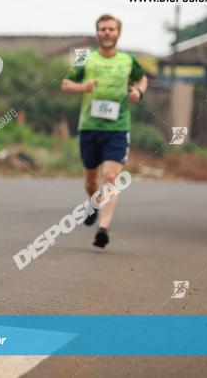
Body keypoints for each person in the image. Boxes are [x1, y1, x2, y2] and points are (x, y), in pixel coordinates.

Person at [61, 15, 147, 249]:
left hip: (117, 128)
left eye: (111, 29)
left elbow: (142, 80)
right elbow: (66, 84)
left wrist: (138, 92)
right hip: (89, 127)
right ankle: (93, 202)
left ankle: (103, 228)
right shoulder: (83, 57)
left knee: (110, 178)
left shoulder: (128, 60)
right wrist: (83, 87)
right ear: (97, 33)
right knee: (91, 180)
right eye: (102, 29)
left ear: (118, 33)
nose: (107, 32)